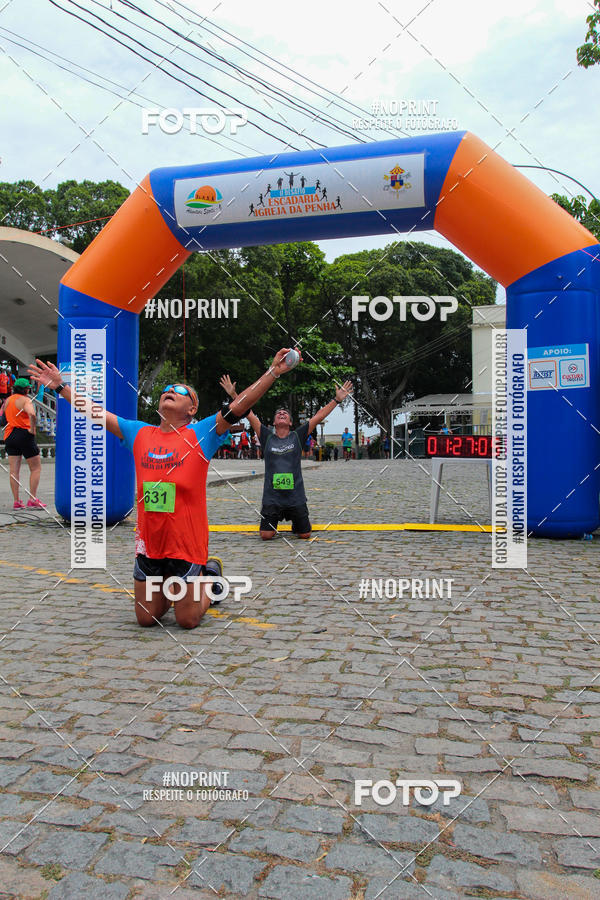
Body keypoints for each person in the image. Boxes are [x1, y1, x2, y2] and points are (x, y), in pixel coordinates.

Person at [29, 349, 297, 629]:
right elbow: (96, 412)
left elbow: (240, 405)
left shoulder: (202, 433)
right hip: (150, 544)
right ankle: (174, 588)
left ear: (192, 409)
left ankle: (209, 576)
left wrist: (273, 372)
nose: (170, 391)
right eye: (166, 390)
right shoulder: (139, 432)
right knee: (147, 618)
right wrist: (61, 387)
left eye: (179, 391)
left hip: (186, 544)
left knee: (187, 620)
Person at [221, 374, 353, 540]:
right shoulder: (266, 435)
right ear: (274, 422)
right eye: (278, 413)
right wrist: (234, 395)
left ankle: (297, 522)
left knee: (304, 534)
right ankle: (274, 521)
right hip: (272, 498)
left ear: (291, 422)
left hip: (295, 497)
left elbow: (319, 416)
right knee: (266, 535)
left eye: (285, 413)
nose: (282, 413)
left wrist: (337, 400)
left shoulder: (297, 436)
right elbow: (248, 413)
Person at [3, 377, 46, 510]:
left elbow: (2, 414)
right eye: (28, 388)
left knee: (14, 471)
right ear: (25, 389)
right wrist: (32, 429)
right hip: (24, 434)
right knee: (35, 468)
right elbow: (32, 414)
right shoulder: (26, 400)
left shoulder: (8, 400)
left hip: (10, 435)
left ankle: (16, 501)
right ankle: (32, 499)